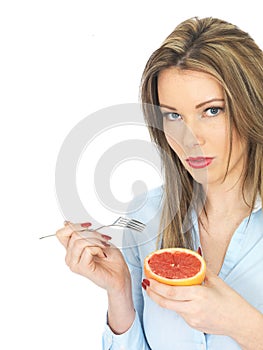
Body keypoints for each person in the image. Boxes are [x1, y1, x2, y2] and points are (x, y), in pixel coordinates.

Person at [56, 17, 263, 349]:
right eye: (173, 115)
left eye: (211, 111)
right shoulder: (146, 215)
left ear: (252, 106)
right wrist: (119, 291)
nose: (190, 138)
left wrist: (242, 324)